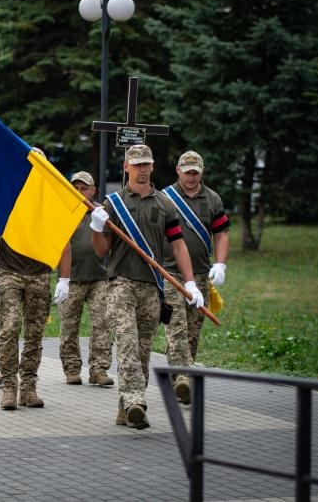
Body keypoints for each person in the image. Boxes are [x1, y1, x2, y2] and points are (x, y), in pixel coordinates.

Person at [90, 144, 204, 430]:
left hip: (152, 287)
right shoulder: (113, 204)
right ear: (126, 166)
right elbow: (102, 250)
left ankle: (124, 410)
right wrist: (96, 226)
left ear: (152, 167)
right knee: (126, 340)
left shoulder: (165, 204)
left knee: (141, 350)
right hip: (121, 283)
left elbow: (178, 244)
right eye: (136, 164)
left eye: (146, 164)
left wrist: (190, 283)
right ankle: (136, 401)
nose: (142, 169)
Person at [162, 150, 230, 403]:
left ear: (201, 173)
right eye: (187, 172)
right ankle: (184, 377)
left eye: (195, 173)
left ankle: (179, 375)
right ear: (178, 170)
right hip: (170, 272)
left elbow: (221, 233)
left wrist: (221, 265)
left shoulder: (212, 199)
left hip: (200, 274)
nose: (191, 177)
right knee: (176, 326)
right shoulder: (164, 198)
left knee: (192, 330)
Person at [0, 230, 71, 410]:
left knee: (35, 333)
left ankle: (28, 387)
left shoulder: (47, 205)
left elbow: (64, 239)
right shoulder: (7, 203)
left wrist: (64, 279)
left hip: (40, 273)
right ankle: (8, 386)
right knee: (10, 327)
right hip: (9, 273)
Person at [59, 171, 113, 387]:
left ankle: (99, 369)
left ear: (93, 190)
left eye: (84, 188)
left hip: (99, 277)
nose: (80, 192)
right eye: (76, 188)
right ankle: (72, 367)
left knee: (101, 323)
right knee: (69, 325)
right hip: (70, 279)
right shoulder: (64, 211)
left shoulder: (101, 213)